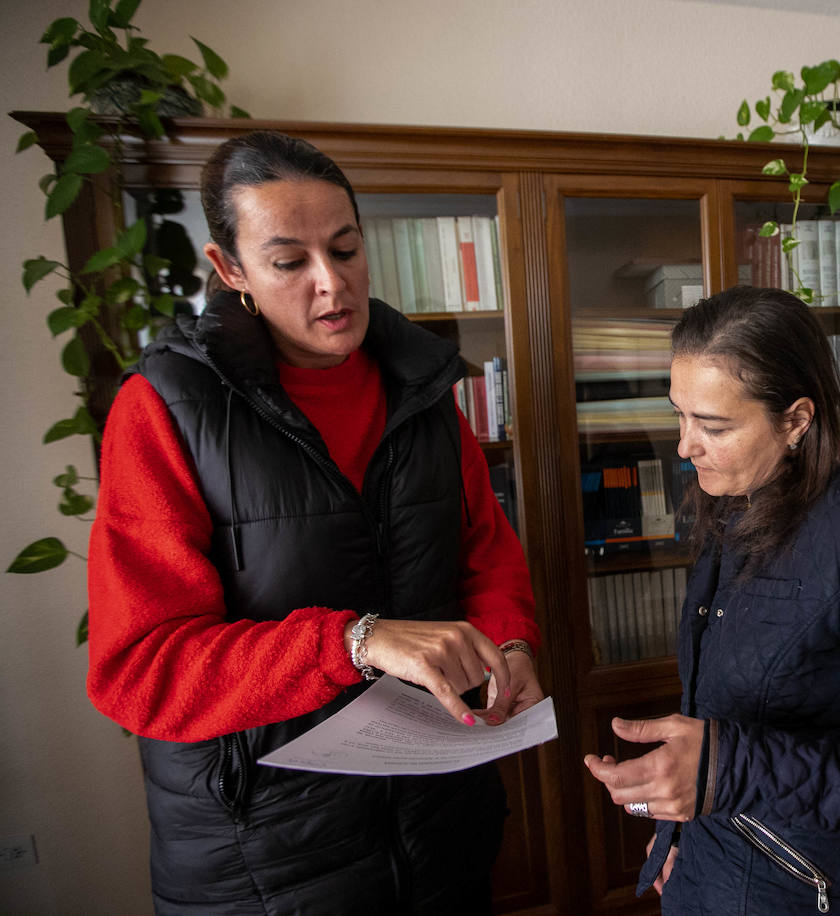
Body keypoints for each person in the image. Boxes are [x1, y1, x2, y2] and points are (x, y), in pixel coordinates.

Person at [85, 130, 543, 914]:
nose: (332, 286)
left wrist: (508, 640)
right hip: (264, 857)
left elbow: (483, 551)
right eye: (290, 262)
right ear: (230, 271)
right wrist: (354, 641)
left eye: (346, 249)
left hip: (439, 824)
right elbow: (140, 669)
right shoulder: (164, 409)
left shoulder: (425, 385)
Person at [583, 285, 840, 914]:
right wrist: (678, 835)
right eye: (679, 415)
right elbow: (720, 707)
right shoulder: (733, 501)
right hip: (711, 868)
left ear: (796, 420)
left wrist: (725, 770)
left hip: (805, 890)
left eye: (713, 426)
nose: (686, 446)